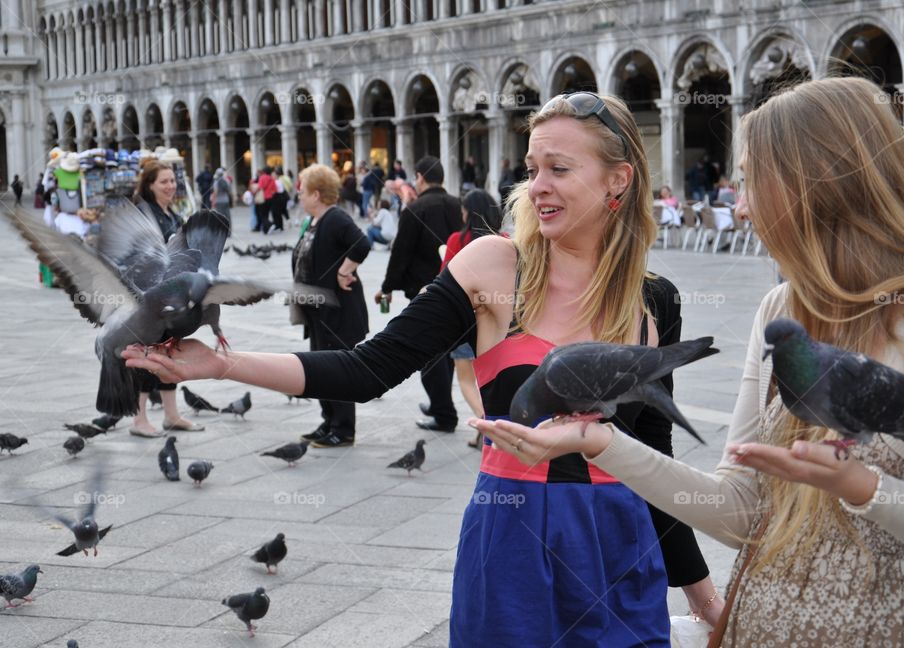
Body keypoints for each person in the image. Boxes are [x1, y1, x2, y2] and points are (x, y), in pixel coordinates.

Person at [122, 92, 720, 647]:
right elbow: (367, 369)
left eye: (559, 170)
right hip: (515, 541)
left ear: (619, 180)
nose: (537, 186)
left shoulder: (653, 300)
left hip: (622, 546)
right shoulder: (493, 266)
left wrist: (704, 596)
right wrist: (223, 366)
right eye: (532, 169)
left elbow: (653, 454)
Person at [477, 78, 904, 647]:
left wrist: (863, 487)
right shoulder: (781, 310)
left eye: (755, 180)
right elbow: (739, 509)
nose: (743, 204)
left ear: (819, 183)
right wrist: (601, 443)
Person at [376, 156, 462, 433]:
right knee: (447, 351)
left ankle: (444, 413)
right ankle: (440, 403)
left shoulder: (415, 209)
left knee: (430, 354)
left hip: (427, 291)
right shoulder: (457, 205)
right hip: (459, 288)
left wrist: (387, 287)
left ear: (421, 177)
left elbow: (400, 254)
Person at [292, 164, 371, 448]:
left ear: (316, 194)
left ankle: (343, 429)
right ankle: (328, 421)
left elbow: (361, 244)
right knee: (321, 367)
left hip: (338, 312)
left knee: (338, 369)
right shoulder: (314, 221)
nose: (299, 195)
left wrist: (343, 271)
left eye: (302, 190)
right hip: (318, 311)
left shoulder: (335, 218)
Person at [129, 159, 203, 437]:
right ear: (150, 185)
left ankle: (171, 415)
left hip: (170, 296)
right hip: (148, 298)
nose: (171, 186)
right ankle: (139, 419)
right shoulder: (143, 214)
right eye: (164, 181)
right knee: (147, 355)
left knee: (169, 351)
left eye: (173, 180)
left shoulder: (169, 213)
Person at [440, 189, 503, 448]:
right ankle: (489, 427)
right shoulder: (503, 241)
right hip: (494, 322)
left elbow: (445, 279)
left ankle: (487, 426)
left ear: (468, 211)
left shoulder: (458, 239)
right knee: (489, 380)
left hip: (462, 322)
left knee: (466, 380)